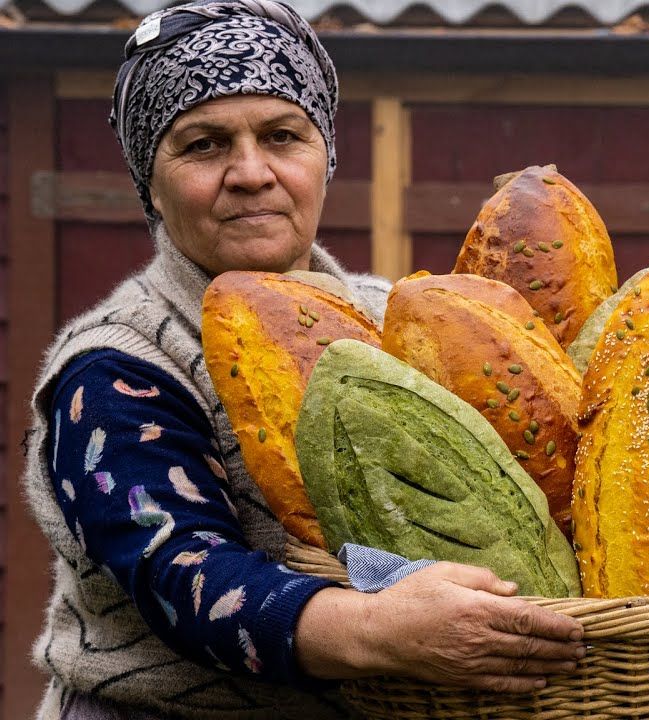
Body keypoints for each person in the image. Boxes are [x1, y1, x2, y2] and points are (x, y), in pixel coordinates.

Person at [22, 2, 585, 717]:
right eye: (203, 145)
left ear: (325, 160)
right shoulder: (115, 367)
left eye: (283, 136)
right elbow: (182, 574)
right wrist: (382, 628)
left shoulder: (394, 320)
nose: (251, 173)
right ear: (150, 185)